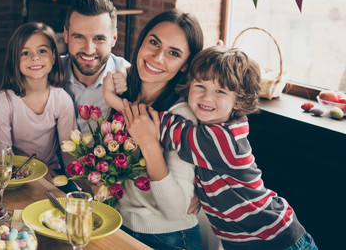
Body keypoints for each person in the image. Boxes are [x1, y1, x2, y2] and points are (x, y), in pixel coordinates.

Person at [127, 46, 317, 250]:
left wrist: (114, 96)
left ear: (238, 101)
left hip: (276, 240)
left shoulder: (223, 140)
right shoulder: (213, 130)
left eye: (220, 91)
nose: (207, 97)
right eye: (200, 86)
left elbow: (152, 124)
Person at [103, 9, 205, 250]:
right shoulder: (125, 92)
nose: (157, 57)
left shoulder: (180, 117)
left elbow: (175, 211)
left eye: (173, 53)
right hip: (119, 225)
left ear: (184, 66)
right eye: (153, 43)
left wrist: (149, 145)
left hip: (167, 237)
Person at [0, 22, 76, 170]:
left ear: (54, 57)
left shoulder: (61, 99)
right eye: (25, 53)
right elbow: (2, 157)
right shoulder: (5, 100)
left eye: (42, 51)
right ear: (14, 60)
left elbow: (69, 152)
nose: (35, 57)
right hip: (15, 173)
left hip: (52, 173)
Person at [61, 0, 131, 133]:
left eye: (99, 38)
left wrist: (127, 73)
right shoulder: (48, 72)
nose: (89, 50)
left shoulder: (130, 77)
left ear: (114, 38)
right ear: (65, 35)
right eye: (79, 37)